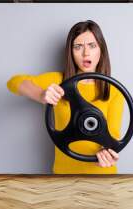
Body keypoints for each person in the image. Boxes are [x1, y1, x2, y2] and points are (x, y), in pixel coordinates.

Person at [7, 20, 124, 174]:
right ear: (71, 52)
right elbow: (13, 82)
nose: (85, 53)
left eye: (92, 45)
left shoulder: (114, 91)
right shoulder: (58, 81)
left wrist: (108, 152)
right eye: (78, 47)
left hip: (102, 176)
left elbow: (113, 137)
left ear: (101, 50)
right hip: (64, 175)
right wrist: (41, 95)